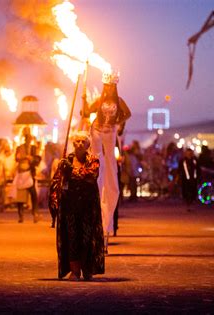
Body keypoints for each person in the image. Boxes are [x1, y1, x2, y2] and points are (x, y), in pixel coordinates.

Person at [82, 71, 131, 244]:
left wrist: (117, 121)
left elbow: (128, 113)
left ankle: (107, 216)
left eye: (112, 86)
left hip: (110, 132)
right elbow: (86, 111)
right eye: (107, 86)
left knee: (109, 162)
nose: (109, 89)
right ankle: (95, 174)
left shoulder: (119, 101)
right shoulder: (100, 101)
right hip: (96, 130)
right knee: (96, 158)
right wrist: (84, 102)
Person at [49, 131, 105, 281]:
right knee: (72, 238)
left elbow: (90, 176)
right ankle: (74, 271)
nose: (80, 144)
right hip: (70, 206)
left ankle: (87, 269)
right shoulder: (65, 161)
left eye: (83, 141)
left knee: (87, 238)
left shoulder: (93, 160)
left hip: (87, 206)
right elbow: (56, 181)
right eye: (77, 141)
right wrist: (54, 200)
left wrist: (71, 171)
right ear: (73, 144)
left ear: (88, 144)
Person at [13, 127, 41, 223]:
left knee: (33, 194)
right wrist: (21, 157)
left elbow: (38, 159)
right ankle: (21, 215)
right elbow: (16, 158)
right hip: (22, 172)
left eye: (30, 138)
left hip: (30, 173)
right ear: (25, 138)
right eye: (27, 138)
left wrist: (32, 159)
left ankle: (35, 213)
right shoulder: (19, 148)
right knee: (20, 196)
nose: (28, 140)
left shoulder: (34, 148)